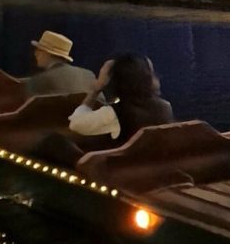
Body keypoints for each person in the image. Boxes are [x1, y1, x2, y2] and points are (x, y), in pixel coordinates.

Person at [34, 53, 174, 167]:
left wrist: (97, 88)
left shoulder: (115, 113)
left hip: (118, 171)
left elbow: (75, 124)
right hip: (144, 166)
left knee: (54, 141)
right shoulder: (165, 107)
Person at [23, 30, 96, 96]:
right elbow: (102, 105)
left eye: (39, 50)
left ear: (49, 53)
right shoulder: (88, 76)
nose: (35, 53)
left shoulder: (39, 81)